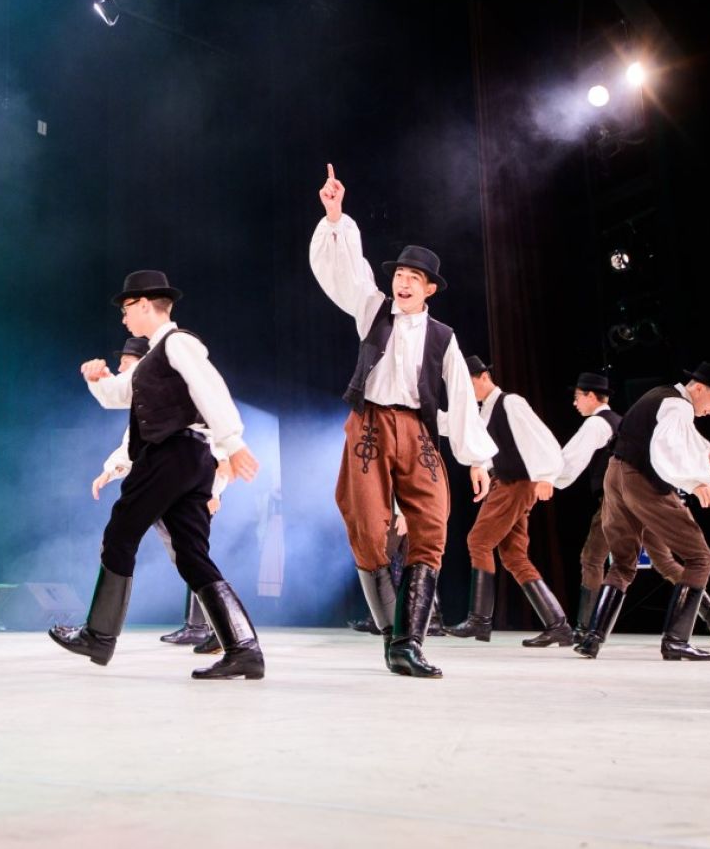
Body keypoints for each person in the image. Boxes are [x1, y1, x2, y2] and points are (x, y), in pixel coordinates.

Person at [308, 165, 495, 679]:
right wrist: (335, 215)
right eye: (399, 275)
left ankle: (408, 642)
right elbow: (345, 272)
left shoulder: (443, 337)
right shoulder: (373, 310)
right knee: (369, 528)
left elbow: (461, 397)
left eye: (414, 278)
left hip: (418, 431)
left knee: (432, 524)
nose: (404, 282)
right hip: (369, 425)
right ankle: (394, 637)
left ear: (430, 288)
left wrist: (477, 459)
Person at [51, 271, 266, 682]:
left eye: (126, 309)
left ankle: (99, 635)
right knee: (191, 554)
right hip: (190, 460)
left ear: (146, 304)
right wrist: (97, 379)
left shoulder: (177, 343)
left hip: (172, 453)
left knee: (121, 532)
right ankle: (244, 649)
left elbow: (210, 387)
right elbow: (121, 395)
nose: (123, 318)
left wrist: (233, 442)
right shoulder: (153, 357)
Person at [575, 363, 710, 662]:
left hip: (615, 475)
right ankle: (676, 640)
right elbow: (666, 447)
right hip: (640, 480)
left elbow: (666, 436)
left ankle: (591, 639)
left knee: (623, 563)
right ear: (699, 388)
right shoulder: (679, 406)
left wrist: (702, 452)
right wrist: (695, 481)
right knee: (700, 557)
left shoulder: (662, 396)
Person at [90, 335, 223, 653]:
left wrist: (215, 490)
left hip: (173, 478)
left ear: (142, 364)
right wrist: (110, 470)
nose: (120, 367)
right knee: (188, 556)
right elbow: (131, 443)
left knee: (171, 550)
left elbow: (211, 438)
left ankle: (99, 636)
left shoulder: (169, 386)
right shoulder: (147, 396)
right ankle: (223, 632)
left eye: (125, 361)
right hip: (163, 477)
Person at [442, 359, 574, 647]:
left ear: (484, 376)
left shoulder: (510, 402)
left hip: (517, 483)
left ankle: (479, 620)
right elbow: (462, 430)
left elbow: (541, 438)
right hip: (507, 481)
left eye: (469, 383)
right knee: (514, 556)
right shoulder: (485, 411)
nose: (467, 391)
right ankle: (559, 626)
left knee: (478, 541)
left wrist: (546, 476)